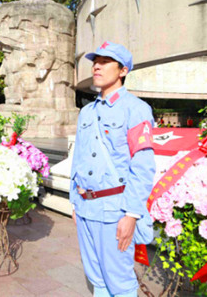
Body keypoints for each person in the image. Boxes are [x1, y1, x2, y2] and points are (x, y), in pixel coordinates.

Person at [70, 42, 156, 297]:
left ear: (123, 70)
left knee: (119, 280)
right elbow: (79, 158)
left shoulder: (136, 109)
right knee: (95, 275)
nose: (97, 65)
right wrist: (75, 201)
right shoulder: (86, 112)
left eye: (106, 61)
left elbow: (143, 166)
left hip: (114, 209)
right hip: (85, 206)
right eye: (96, 61)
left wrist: (131, 215)